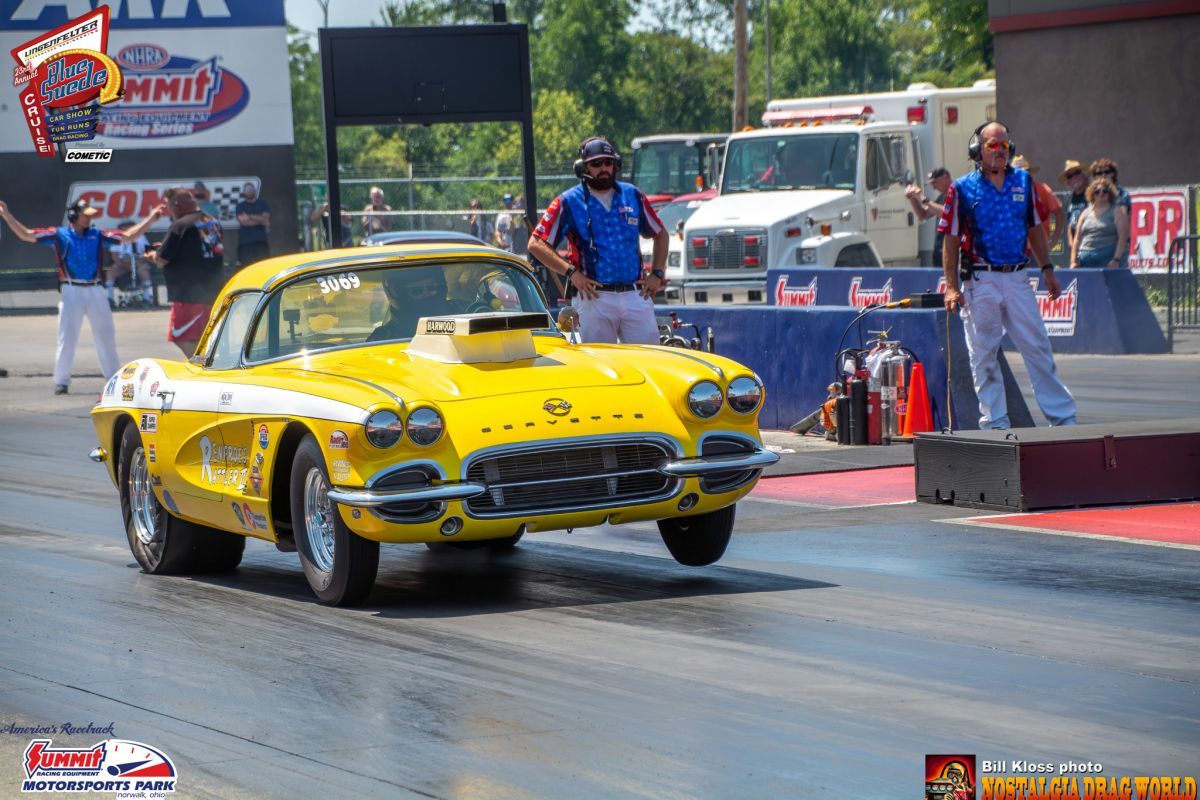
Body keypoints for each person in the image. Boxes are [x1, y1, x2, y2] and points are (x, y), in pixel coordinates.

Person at [938, 121, 1077, 429]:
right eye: (993, 146)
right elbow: (950, 239)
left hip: (1017, 276)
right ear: (978, 150)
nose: (1001, 152)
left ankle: (1063, 418)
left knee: (1038, 346)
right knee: (984, 354)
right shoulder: (961, 188)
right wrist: (950, 286)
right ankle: (996, 422)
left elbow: (1035, 228)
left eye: (1004, 146)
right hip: (980, 279)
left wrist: (1048, 269)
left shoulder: (1024, 182)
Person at [0, 198, 162, 394]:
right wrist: (7, 216)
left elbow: (128, 236)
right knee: (67, 336)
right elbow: (26, 235)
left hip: (95, 289)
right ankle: (61, 381)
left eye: (90, 215)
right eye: (85, 214)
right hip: (71, 290)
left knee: (106, 335)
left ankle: (113, 379)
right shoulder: (58, 234)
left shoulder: (97, 235)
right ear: (73, 215)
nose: (89, 218)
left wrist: (151, 219)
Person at [527, 137, 668, 345]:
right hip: (593, 298)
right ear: (582, 167)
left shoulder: (633, 195)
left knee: (651, 359)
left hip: (636, 295)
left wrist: (657, 274)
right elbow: (536, 243)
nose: (603, 168)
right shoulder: (568, 201)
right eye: (596, 164)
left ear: (616, 165)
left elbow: (661, 234)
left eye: (608, 162)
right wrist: (571, 273)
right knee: (599, 363)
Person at [144, 187, 226, 357]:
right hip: (214, 291)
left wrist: (152, 255)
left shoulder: (180, 225)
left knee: (180, 336)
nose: (170, 212)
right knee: (208, 337)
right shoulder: (212, 221)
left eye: (170, 207)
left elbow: (162, 259)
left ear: (177, 206)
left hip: (188, 295)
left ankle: (203, 372)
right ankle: (209, 368)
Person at [367, 267, 456, 342]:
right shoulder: (382, 339)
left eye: (431, 287)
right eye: (417, 291)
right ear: (400, 294)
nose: (427, 293)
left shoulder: (463, 309)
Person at [1070, 176, 1130, 269]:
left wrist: (1116, 259)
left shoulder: (1116, 211)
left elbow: (1123, 236)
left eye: (1105, 191)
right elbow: (1077, 239)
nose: (1101, 193)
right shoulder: (1085, 212)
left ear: (1109, 194)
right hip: (1086, 258)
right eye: (1097, 191)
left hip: (1107, 257)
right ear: (1092, 194)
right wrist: (1073, 261)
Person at [1011, 154, 1067, 254]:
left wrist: (1053, 241)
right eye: (1018, 173)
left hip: (1038, 248)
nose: (1022, 175)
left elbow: (1059, 214)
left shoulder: (1041, 188)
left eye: (1025, 172)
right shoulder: (1006, 192)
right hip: (1014, 249)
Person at [905, 166, 952, 267]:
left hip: (952, 251)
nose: (934, 187)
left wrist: (923, 198)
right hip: (939, 252)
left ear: (945, 177)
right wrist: (913, 198)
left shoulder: (956, 193)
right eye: (931, 184)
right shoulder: (942, 197)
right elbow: (923, 215)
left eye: (935, 183)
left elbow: (946, 213)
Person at [1089, 157, 1131, 266]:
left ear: (1113, 174)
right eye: (1098, 173)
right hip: (1098, 248)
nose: (1103, 175)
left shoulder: (1122, 194)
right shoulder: (1094, 195)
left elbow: (1123, 220)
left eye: (1107, 172)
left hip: (1118, 246)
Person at [106, 220, 155, 306]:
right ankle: (110, 298)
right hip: (122, 262)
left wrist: (141, 259)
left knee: (144, 270)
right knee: (110, 271)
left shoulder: (141, 237)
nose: (126, 228)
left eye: (128, 226)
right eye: (123, 227)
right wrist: (121, 264)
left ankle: (146, 298)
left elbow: (148, 251)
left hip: (138, 261)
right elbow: (114, 256)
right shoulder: (116, 238)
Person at [235, 181, 270, 268]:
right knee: (246, 267)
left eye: (250, 189)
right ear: (244, 192)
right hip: (245, 243)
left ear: (254, 190)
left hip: (261, 242)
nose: (249, 191)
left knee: (264, 267)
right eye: (246, 189)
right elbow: (243, 221)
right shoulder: (240, 206)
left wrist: (249, 216)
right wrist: (259, 219)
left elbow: (265, 220)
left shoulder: (263, 204)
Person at [1059, 159, 1091, 253]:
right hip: (1076, 248)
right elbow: (1070, 223)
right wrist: (1071, 244)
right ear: (1068, 182)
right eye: (1070, 176)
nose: (1074, 178)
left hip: (1089, 245)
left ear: (1084, 176)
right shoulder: (1069, 199)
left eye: (1077, 173)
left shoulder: (1093, 194)